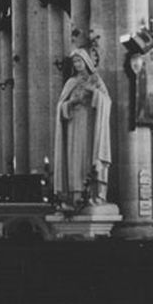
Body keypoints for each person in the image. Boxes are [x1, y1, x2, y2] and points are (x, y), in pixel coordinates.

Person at [53, 48, 112, 204]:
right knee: (74, 158)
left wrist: (93, 92)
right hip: (73, 125)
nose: (77, 64)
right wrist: (71, 103)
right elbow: (60, 106)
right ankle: (75, 194)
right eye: (75, 62)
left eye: (79, 61)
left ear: (86, 61)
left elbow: (106, 101)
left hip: (90, 125)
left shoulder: (96, 79)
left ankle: (92, 193)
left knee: (88, 157)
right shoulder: (71, 82)